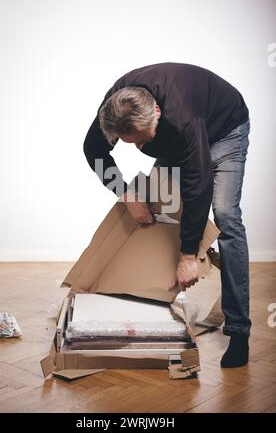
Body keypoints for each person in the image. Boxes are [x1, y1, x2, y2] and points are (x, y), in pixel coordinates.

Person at [83, 62, 251, 368]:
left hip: (225, 128)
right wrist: (126, 193)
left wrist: (188, 256)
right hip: (177, 136)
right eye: (132, 143)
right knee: (160, 211)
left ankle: (239, 331)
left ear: (157, 113)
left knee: (226, 216)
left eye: (145, 142)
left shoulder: (182, 118)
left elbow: (197, 186)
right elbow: (92, 149)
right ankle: (150, 307)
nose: (141, 149)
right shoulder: (114, 111)